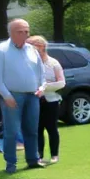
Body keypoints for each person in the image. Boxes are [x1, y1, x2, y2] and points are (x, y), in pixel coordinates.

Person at [0, 19, 45, 173]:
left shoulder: (32, 50)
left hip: (32, 95)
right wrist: (6, 96)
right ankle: (11, 163)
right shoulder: (1, 51)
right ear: (11, 33)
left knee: (32, 129)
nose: (25, 34)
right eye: (21, 31)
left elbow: (41, 72)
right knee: (11, 131)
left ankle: (33, 160)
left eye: (27, 31)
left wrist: (42, 87)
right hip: (12, 95)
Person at [28, 36, 66, 164]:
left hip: (51, 101)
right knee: (37, 129)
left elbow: (61, 83)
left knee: (51, 128)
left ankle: (54, 155)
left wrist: (45, 87)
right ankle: (39, 155)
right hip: (34, 100)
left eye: (33, 45)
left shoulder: (53, 63)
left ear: (42, 46)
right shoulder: (30, 63)